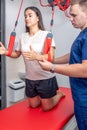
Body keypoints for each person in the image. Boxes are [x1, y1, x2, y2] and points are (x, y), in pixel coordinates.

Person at [0, 6, 65, 111]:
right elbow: (17, 54)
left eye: (30, 15)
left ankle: (59, 94)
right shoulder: (23, 36)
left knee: (46, 107)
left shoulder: (46, 35)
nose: (27, 18)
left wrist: (37, 56)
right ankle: (44, 96)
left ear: (38, 18)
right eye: (25, 16)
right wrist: (6, 52)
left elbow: (51, 57)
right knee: (33, 105)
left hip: (45, 77)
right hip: (30, 78)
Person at [39, 0, 87, 129]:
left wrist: (52, 68)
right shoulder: (82, 35)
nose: (70, 18)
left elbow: (85, 70)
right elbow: (73, 55)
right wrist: (52, 60)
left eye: (74, 15)